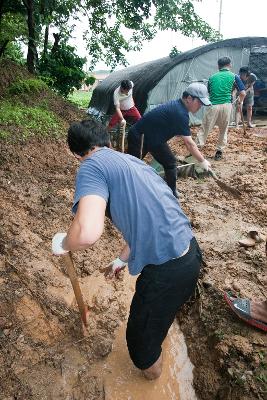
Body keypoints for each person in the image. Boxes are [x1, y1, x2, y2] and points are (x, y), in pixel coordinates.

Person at [52, 119, 203, 380]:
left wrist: (64, 243)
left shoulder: (91, 167)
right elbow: (145, 221)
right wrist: (121, 261)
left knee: (142, 352)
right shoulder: (131, 162)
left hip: (167, 270)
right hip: (190, 252)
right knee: (158, 322)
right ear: (108, 143)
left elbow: (87, 233)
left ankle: (154, 380)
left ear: (76, 154)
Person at [127, 82, 212, 198]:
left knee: (170, 163)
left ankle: (172, 193)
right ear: (189, 98)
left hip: (154, 138)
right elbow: (189, 144)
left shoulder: (179, 108)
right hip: (139, 137)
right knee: (132, 167)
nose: (201, 106)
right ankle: (126, 192)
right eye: (199, 102)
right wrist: (202, 161)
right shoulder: (180, 112)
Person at [196, 57, 246, 161]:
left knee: (205, 128)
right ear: (229, 65)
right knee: (223, 129)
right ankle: (219, 151)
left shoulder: (212, 77)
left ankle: (196, 150)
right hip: (226, 106)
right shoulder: (234, 76)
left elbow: (210, 91)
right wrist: (239, 101)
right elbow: (242, 93)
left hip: (213, 105)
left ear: (218, 66)